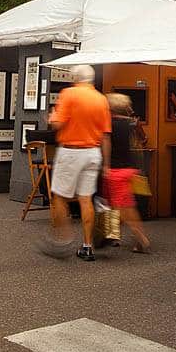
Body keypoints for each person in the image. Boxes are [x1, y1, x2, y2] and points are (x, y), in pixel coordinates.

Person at [44, 65, 111, 262]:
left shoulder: (69, 94)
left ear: (75, 77)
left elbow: (57, 124)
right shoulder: (101, 99)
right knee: (86, 199)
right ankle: (87, 246)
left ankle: (62, 239)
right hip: (93, 153)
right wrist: (106, 164)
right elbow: (106, 136)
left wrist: (51, 117)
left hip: (71, 152)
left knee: (59, 196)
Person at [103, 93, 150, 253]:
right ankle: (112, 236)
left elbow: (106, 144)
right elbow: (143, 139)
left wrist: (106, 165)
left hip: (116, 170)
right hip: (130, 168)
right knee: (113, 204)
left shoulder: (109, 124)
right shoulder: (131, 123)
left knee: (123, 207)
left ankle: (141, 238)